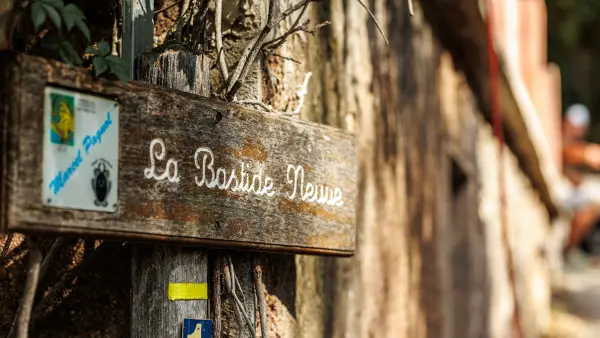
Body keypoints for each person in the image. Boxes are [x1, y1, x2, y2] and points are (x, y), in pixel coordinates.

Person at [561, 104, 600, 257]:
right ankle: (568, 250)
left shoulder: (579, 144)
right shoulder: (560, 138)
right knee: (595, 201)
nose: (576, 129)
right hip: (561, 192)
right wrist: (586, 154)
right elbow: (565, 152)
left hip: (573, 191)